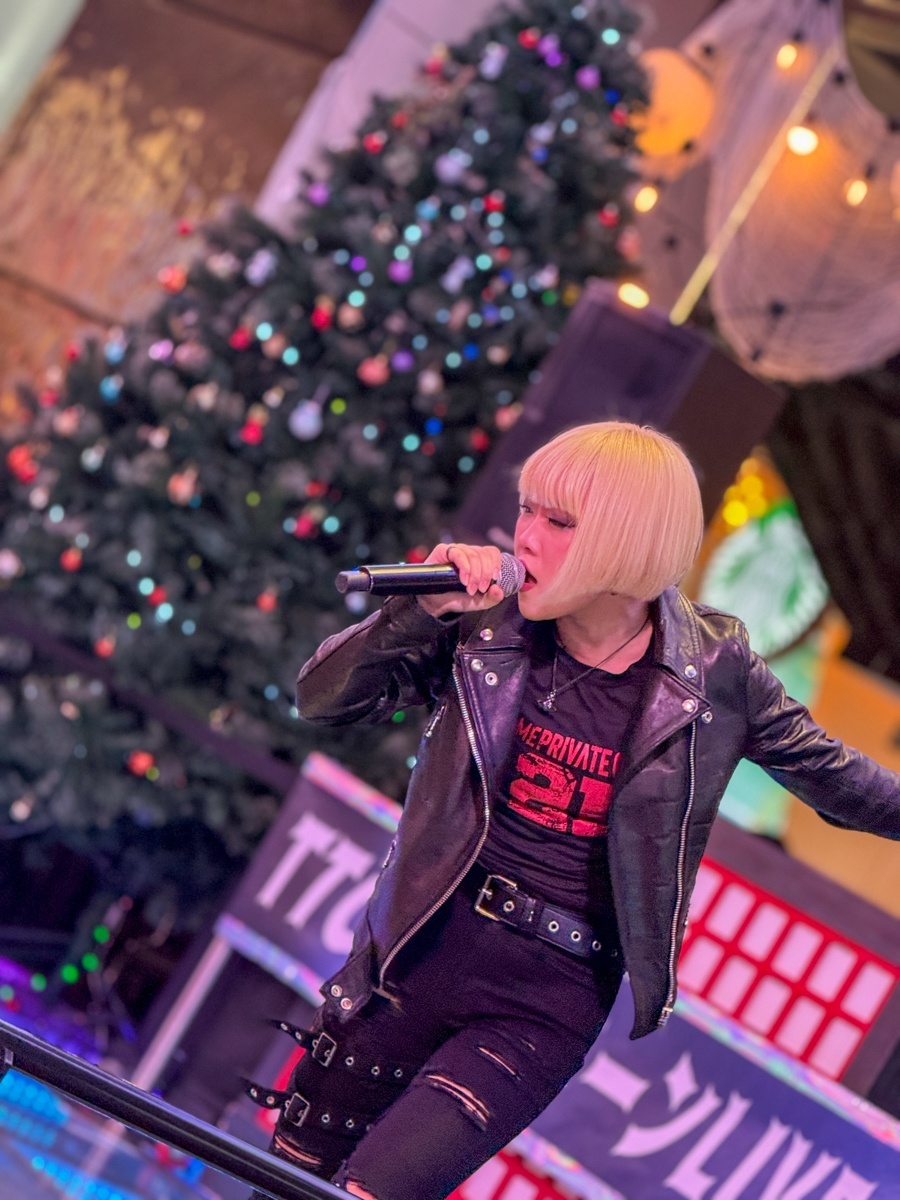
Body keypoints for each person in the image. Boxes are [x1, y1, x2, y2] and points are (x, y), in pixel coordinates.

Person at [248, 421, 900, 1200]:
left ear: (628, 542)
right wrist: (420, 611)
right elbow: (322, 698)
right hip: (415, 953)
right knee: (285, 1183)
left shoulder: (715, 672)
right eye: (527, 510)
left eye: (558, 521)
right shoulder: (487, 620)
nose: (525, 536)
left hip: (545, 1000)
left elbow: (841, 782)